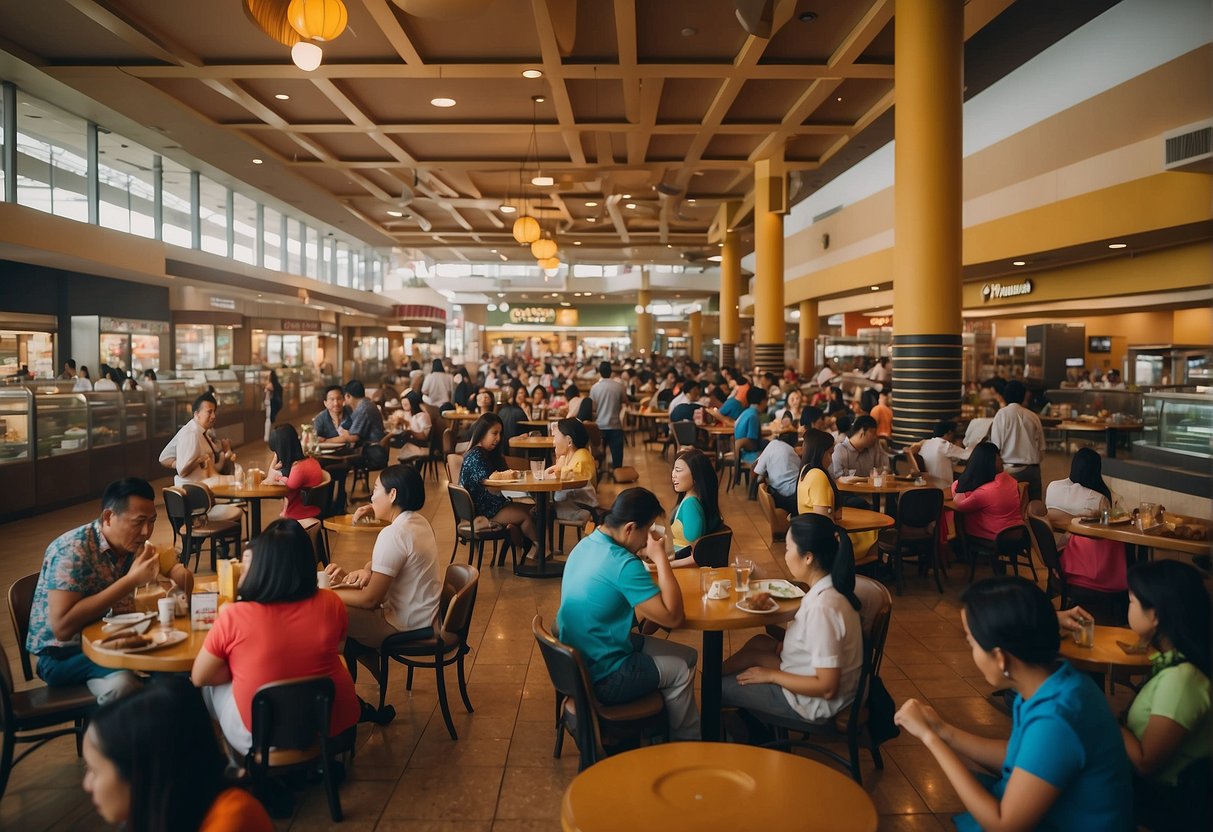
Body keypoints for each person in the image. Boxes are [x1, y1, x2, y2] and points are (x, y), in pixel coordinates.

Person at [894, 576, 1132, 832]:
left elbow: (1004, 824)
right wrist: (943, 731)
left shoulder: (1057, 717)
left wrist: (930, 738)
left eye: (971, 642)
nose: (970, 649)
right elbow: (1023, 757)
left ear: (1000, 658)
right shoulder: (1053, 683)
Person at [192, 519, 359, 756]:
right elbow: (339, 647)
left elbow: (200, 676)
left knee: (209, 688)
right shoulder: (331, 602)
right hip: (333, 726)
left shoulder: (235, 615)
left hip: (266, 735)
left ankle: (230, 763)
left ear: (263, 568)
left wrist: (243, 669)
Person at [26, 478, 193, 703]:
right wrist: (131, 580)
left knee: (180, 673)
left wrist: (177, 571)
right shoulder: (73, 551)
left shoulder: (134, 546)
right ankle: (108, 735)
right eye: (138, 522)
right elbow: (62, 628)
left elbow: (180, 578)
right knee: (126, 687)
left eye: (152, 521)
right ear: (108, 517)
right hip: (62, 656)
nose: (146, 532)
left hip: (114, 640)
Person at [555, 488, 700, 740]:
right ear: (631, 528)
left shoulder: (585, 543)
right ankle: (687, 744)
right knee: (681, 670)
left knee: (689, 655)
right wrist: (660, 558)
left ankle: (660, 728)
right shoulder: (622, 563)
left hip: (580, 655)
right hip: (604, 675)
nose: (648, 540)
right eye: (648, 531)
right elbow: (673, 618)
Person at [721, 514, 863, 734]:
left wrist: (770, 675)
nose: (785, 556)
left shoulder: (822, 608)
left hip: (810, 703)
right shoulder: (830, 589)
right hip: (806, 676)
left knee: (717, 690)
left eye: (788, 548)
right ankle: (753, 726)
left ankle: (749, 735)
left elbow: (827, 687)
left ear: (807, 557)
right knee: (759, 642)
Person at [323, 464, 442, 723]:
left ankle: (339, 702)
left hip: (405, 624)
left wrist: (327, 593)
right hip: (424, 615)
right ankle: (355, 695)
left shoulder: (394, 534)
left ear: (393, 495)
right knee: (343, 620)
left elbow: (370, 599)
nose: (371, 497)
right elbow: (388, 568)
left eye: (376, 490)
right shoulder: (419, 522)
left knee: (331, 613)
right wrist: (360, 574)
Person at [81, 676, 273, 832]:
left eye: (94, 771)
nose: (86, 785)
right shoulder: (163, 815)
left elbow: (200, 674)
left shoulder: (232, 818)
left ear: (140, 770)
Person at [1121, 560, 1211, 830]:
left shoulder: (1182, 679)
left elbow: (1148, 763)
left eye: (1132, 601)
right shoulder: (1174, 665)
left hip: (1163, 807)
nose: (1129, 608)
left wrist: (1107, 719)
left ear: (1155, 615)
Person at [1045, 448, 1128, 596]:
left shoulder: (1052, 487)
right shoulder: (1097, 498)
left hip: (1054, 552)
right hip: (1085, 557)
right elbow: (1106, 531)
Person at [458, 413, 538, 551]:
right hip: (484, 510)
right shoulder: (476, 455)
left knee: (534, 510)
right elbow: (491, 483)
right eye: (494, 433)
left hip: (489, 505)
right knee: (526, 515)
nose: (498, 438)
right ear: (482, 432)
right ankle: (541, 550)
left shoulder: (482, 453)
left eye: (500, 433)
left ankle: (530, 548)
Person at [796, 429, 878, 562]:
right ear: (820, 452)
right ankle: (876, 571)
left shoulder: (805, 470)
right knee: (874, 532)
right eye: (830, 453)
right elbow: (824, 523)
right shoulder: (818, 475)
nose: (831, 459)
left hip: (810, 536)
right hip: (824, 545)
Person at [167, 393, 242, 523]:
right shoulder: (191, 434)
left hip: (201, 492)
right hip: (197, 498)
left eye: (214, 412)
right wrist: (196, 461)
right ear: (197, 414)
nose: (213, 416)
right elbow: (182, 470)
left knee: (238, 479)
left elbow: (213, 468)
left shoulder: (200, 432)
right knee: (238, 480)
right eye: (209, 412)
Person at [950, 442, 1023, 553]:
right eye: (999, 458)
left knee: (960, 520)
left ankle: (964, 555)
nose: (1002, 461)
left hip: (996, 537)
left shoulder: (985, 492)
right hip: (1018, 533)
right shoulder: (1010, 481)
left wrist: (957, 483)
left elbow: (959, 504)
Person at [989, 380, 1045, 500]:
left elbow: (995, 446)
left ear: (1005, 395)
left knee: (1012, 511)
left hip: (1011, 471)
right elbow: (1042, 448)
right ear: (1024, 396)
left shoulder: (1002, 415)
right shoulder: (1033, 416)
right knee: (1034, 510)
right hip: (1033, 470)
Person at [668, 448, 721, 567]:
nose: (673, 475)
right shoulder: (699, 499)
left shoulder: (690, 506)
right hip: (678, 558)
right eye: (673, 469)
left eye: (678, 470)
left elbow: (697, 557)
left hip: (685, 569)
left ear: (696, 475)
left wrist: (666, 565)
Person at [262, 424, 324, 522]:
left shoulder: (298, 469)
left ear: (281, 450)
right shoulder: (310, 461)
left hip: (301, 513)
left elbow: (287, 485)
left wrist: (278, 478)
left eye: (276, 451)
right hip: (316, 508)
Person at [547, 418, 597, 523]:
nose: (553, 442)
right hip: (570, 505)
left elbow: (574, 476)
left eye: (555, 437)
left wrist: (557, 471)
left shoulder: (582, 455)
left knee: (538, 512)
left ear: (569, 441)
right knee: (537, 510)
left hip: (581, 508)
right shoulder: (567, 457)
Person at [337, 379, 387, 470]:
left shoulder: (363, 409)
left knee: (339, 463)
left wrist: (343, 431)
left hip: (373, 454)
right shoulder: (366, 404)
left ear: (348, 396)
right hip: (376, 451)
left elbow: (353, 438)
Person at [906, 419, 972, 482]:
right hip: (943, 486)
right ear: (949, 433)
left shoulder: (925, 443)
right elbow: (968, 454)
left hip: (929, 485)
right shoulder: (944, 445)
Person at [589, 361, 626, 471]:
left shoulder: (594, 388)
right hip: (615, 426)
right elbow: (625, 401)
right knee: (617, 456)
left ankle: (600, 472)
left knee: (598, 454)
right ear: (611, 372)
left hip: (599, 426)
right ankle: (617, 473)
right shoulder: (619, 387)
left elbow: (593, 407)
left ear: (600, 372)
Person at [754, 430, 800, 515]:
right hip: (790, 497)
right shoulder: (791, 450)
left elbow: (758, 471)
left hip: (776, 493)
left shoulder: (772, 444)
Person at [391, 391, 432, 460]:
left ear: (413, 403)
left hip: (422, 445)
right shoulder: (409, 414)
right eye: (403, 404)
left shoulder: (422, 416)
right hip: (413, 441)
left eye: (406, 404)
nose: (404, 406)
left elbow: (424, 436)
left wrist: (410, 431)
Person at [733, 387, 767, 464]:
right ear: (762, 401)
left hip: (739, 452)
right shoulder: (753, 416)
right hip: (747, 455)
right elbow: (752, 443)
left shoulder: (746, 412)